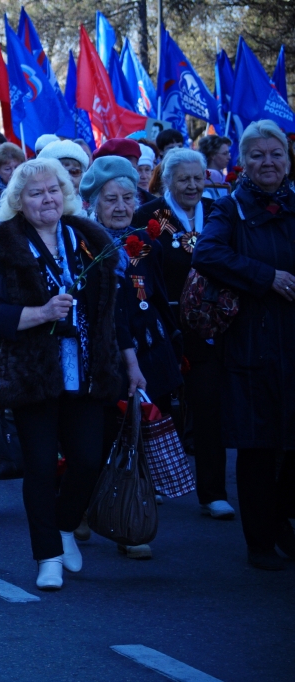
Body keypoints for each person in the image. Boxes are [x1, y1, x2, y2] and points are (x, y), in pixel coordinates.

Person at [0, 159, 122, 590]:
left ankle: (64, 525)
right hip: (32, 373)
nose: (47, 199)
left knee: (88, 460)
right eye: (36, 193)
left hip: (88, 370)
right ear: (19, 201)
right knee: (40, 466)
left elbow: (113, 308)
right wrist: (41, 313)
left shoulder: (89, 237)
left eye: (54, 190)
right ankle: (47, 556)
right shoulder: (3, 244)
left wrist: (127, 360)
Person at [191, 120, 295, 571]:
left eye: (276, 154)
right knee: (258, 449)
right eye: (257, 155)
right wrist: (265, 277)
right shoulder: (230, 207)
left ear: (288, 159)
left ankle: (281, 519)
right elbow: (206, 253)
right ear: (243, 162)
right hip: (254, 346)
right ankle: (260, 542)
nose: (268, 162)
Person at [80, 156, 183, 560]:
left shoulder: (147, 242)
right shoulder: (82, 244)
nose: (122, 206)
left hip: (148, 350)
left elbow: (156, 296)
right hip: (102, 355)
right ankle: (82, 504)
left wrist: (172, 346)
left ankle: (129, 523)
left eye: (128, 198)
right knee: (100, 437)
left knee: (138, 435)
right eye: (111, 199)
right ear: (93, 203)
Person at [132, 148, 234, 520]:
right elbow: (137, 270)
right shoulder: (150, 215)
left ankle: (213, 493)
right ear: (168, 180)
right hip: (161, 324)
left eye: (197, 178)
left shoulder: (218, 211)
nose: (192, 185)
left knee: (207, 406)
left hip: (206, 326)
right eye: (183, 179)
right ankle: (153, 480)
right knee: (157, 405)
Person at [198, 134, 232, 200]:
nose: (229, 157)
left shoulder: (221, 175)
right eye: (225, 153)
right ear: (212, 155)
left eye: (228, 153)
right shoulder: (213, 174)